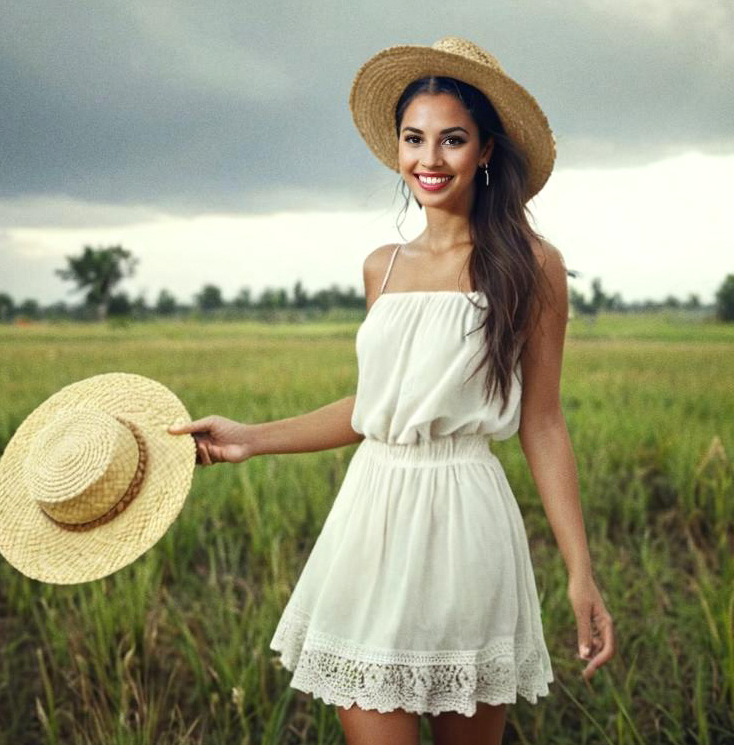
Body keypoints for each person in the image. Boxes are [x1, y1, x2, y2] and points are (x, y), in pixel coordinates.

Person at [167, 36, 615, 745]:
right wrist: (248, 437)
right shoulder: (383, 266)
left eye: (452, 140)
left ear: (486, 150)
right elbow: (376, 409)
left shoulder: (532, 265)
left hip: (467, 520)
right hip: (371, 519)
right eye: (414, 138)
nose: (428, 160)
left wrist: (579, 573)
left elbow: (543, 422)